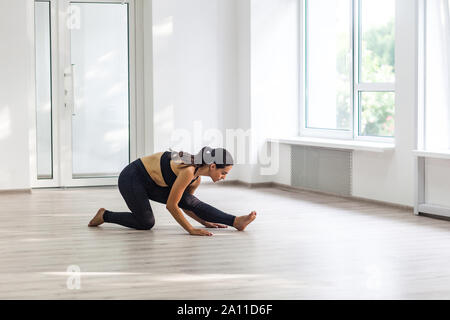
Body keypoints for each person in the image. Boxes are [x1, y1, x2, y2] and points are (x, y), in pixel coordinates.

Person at [88, 146, 257, 236]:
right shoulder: (188, 171)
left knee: (189, 200)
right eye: (223, 173)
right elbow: (171, 205)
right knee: (146, 223)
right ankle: (105, 215)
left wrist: (204, 222)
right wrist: (190, 229)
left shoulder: (196, 179)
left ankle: (235, 221)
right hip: (132, 177)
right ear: (212, 166)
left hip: (153, 184)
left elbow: (186, 205)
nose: (223, 177)